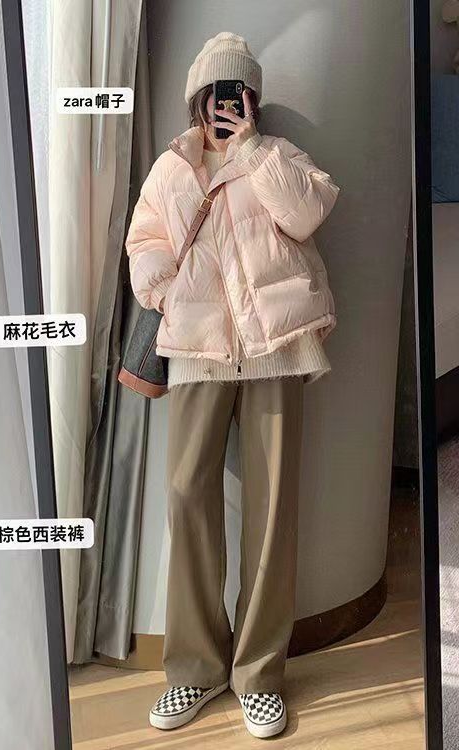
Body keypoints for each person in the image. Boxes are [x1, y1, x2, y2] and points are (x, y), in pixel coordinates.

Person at [125, 31, 339, 739]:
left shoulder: (277, 155)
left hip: (276, 348)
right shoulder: (171, 168)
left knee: (273, 511)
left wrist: (250, 150)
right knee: (188, 495)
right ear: (197, 98)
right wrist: (161, 290)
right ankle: (194, 669)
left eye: (237, 91)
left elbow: (307, 214)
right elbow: (144, 241)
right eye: (215, 92)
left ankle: (260, 676)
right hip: (197, 349)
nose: (225, 103)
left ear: (251, 97)